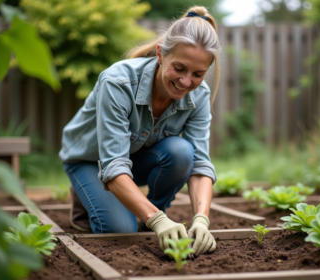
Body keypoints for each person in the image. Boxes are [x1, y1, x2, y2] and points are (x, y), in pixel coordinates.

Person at [59, 6, 221, 257]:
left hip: (134, 158)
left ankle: (152, 214)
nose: (186, 82)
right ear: (160, 55)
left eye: (198, 74)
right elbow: (113, 164)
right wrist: (159, 221)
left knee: (181, 152)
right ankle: (86, 197)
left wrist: (202, 219)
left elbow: (200, 163)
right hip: (90, 160)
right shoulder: (117, 83)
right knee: (119, 230)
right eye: (179, 68)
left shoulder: (199, 95)